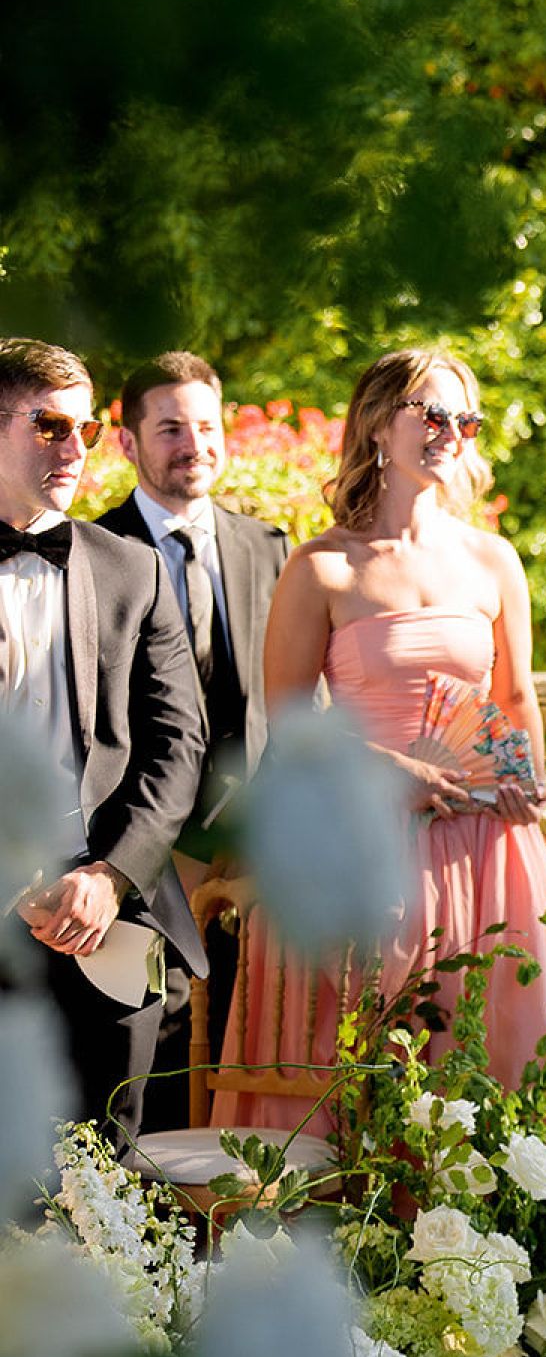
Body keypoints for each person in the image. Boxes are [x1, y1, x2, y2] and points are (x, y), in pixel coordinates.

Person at [215, 346, 546, 1132]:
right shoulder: (322, 568)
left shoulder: (494, 561)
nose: (450, 432)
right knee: (362, 1060)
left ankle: (475, 1248)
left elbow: (512, 695)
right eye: (431, 414)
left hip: (484, 848)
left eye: (464, 420)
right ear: (378, 424)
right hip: (360, 841)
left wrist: (527, 779)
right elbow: (291, 724)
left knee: (485, 1061)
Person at [0, 337, 206, 1135]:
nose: (74, 449)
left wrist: (110, 877)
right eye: (50, 425)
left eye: (86, 430)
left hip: (106, 917)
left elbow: (176, 746)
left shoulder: (133, 569)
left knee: (104, 1180)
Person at [98, 351, 288, 1123]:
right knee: (155, 1051)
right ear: (127, 442)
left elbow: (287, 699)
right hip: (142, 846)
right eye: (170, 427)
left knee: (249, 1046)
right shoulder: (92, 551)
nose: (194, 444)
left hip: (252, 851)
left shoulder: (269, 547)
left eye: (206, 426)